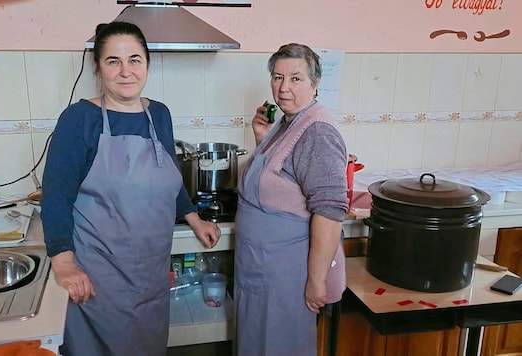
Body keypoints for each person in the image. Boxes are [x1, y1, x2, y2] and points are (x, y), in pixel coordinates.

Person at [40, 21, 221, 356]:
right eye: (113, 61)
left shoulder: (160, 116)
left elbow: (169, 178)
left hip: (151, 274)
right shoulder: (79, 119)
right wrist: (64, 262)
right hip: (100, 278)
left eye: (135, 60)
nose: (126, 71)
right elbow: (55, 197)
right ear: (98, 68)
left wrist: (194, 218)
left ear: (147, 65)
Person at [234, 43, 349, 356]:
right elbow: (280, 180)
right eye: (277, 77)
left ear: (315, 83)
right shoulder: (287, 121)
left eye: (295, 79)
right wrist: (261, 137)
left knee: (280, 346)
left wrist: (316, 280)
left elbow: (329, 211)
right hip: (260, 268)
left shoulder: (318, 132)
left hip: (287, 275)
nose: (283, 87)